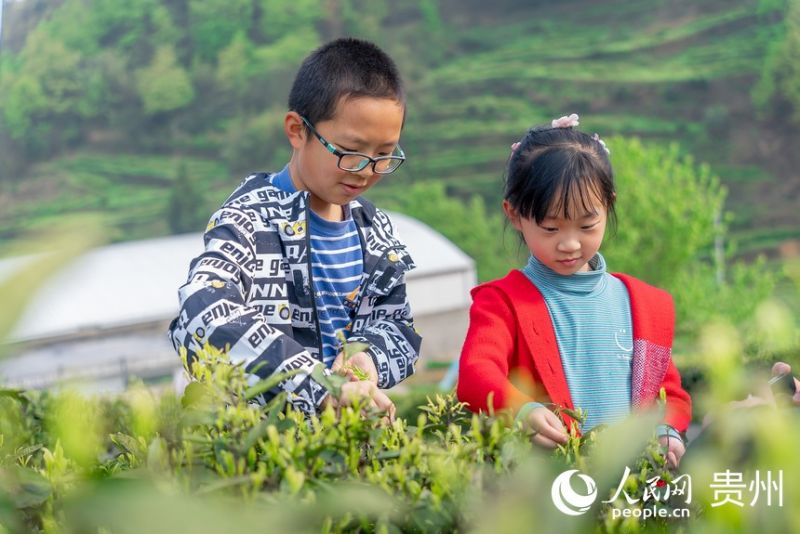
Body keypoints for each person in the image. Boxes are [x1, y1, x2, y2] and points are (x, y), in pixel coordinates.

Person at [169, 38, 421, 419]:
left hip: (346, 443)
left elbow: (395, 323)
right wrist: (316, 384)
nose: (367, 170)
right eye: (351, 152)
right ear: (297, 130)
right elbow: (203, 310)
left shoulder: (375, 234)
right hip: (262, 448)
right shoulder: (249, 221)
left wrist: (366, 358)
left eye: (384, 155)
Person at [457, 114, 692, 468]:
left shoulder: (642, 305)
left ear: (608, 205)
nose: (569, 243)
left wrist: (666, 429)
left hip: (633, 486)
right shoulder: (503, 303)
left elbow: (669, 393)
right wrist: (521, 411)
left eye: (586, 225)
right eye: (550, 228)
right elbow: (476, 373)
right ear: (515, 215)